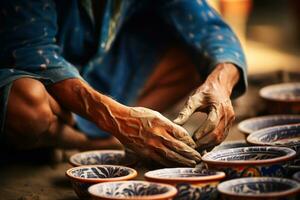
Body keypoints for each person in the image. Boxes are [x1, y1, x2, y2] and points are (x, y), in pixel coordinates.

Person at [0, 0, 247, 167]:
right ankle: (107, 139)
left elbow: (209, 28)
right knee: (25, 103)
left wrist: (220, 83)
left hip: (96, 73)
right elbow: (31, 52)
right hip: (36, 76)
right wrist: (120, 122)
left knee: (196, 56)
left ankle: (115, 134)